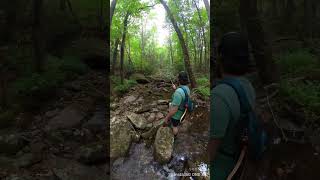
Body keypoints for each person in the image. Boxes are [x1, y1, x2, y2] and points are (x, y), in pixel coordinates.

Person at [208, 32, 256, 180]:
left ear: (221, 58)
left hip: (221, 168)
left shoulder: (218, 96)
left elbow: (209, 153)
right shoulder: (248, 86)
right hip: (238, 157)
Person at [164, 71, 191, 136]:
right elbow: (182, 96)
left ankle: (174, 137)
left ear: (179, 79)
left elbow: (174, 110)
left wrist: (167, 117)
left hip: (176, 115)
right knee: (177, 122)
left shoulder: (178, 92)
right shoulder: (187, 88)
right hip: (183, 111)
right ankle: (180, 122)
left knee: (174, 126)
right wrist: (175, 89)